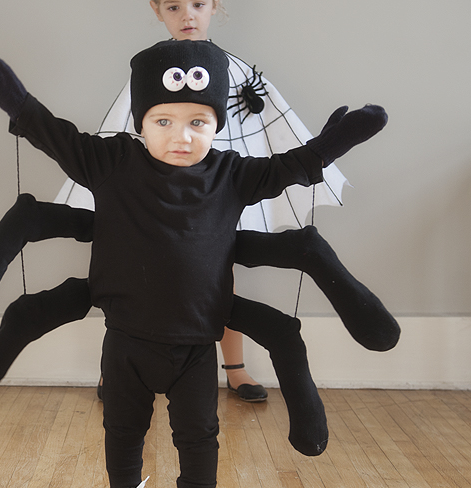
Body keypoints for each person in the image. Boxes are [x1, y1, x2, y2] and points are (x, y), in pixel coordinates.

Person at [0, 39, 389, 488]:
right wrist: (19, 104)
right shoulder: (110, 161)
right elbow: (59, 138)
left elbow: (287, 168)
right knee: (121, 423)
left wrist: (333, 143)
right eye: (163, 121)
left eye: (197, 123)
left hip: (195, 341)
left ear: (215, 125)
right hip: (126, 338)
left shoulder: (231, 174)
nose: (181, 137)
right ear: (139, 121)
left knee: (199, 431)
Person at [55, 0, 348, 402]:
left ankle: (235, 367)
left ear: (215, 7)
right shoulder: (150, 72)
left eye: (197, 4)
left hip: (221, 183)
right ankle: (115, 367)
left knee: (215, 272)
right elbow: (125, 131)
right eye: (174, 6)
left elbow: (262, 126)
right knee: (130, 269)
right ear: (158, 11)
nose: (187, 15)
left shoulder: (235, 72)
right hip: (151, 191)